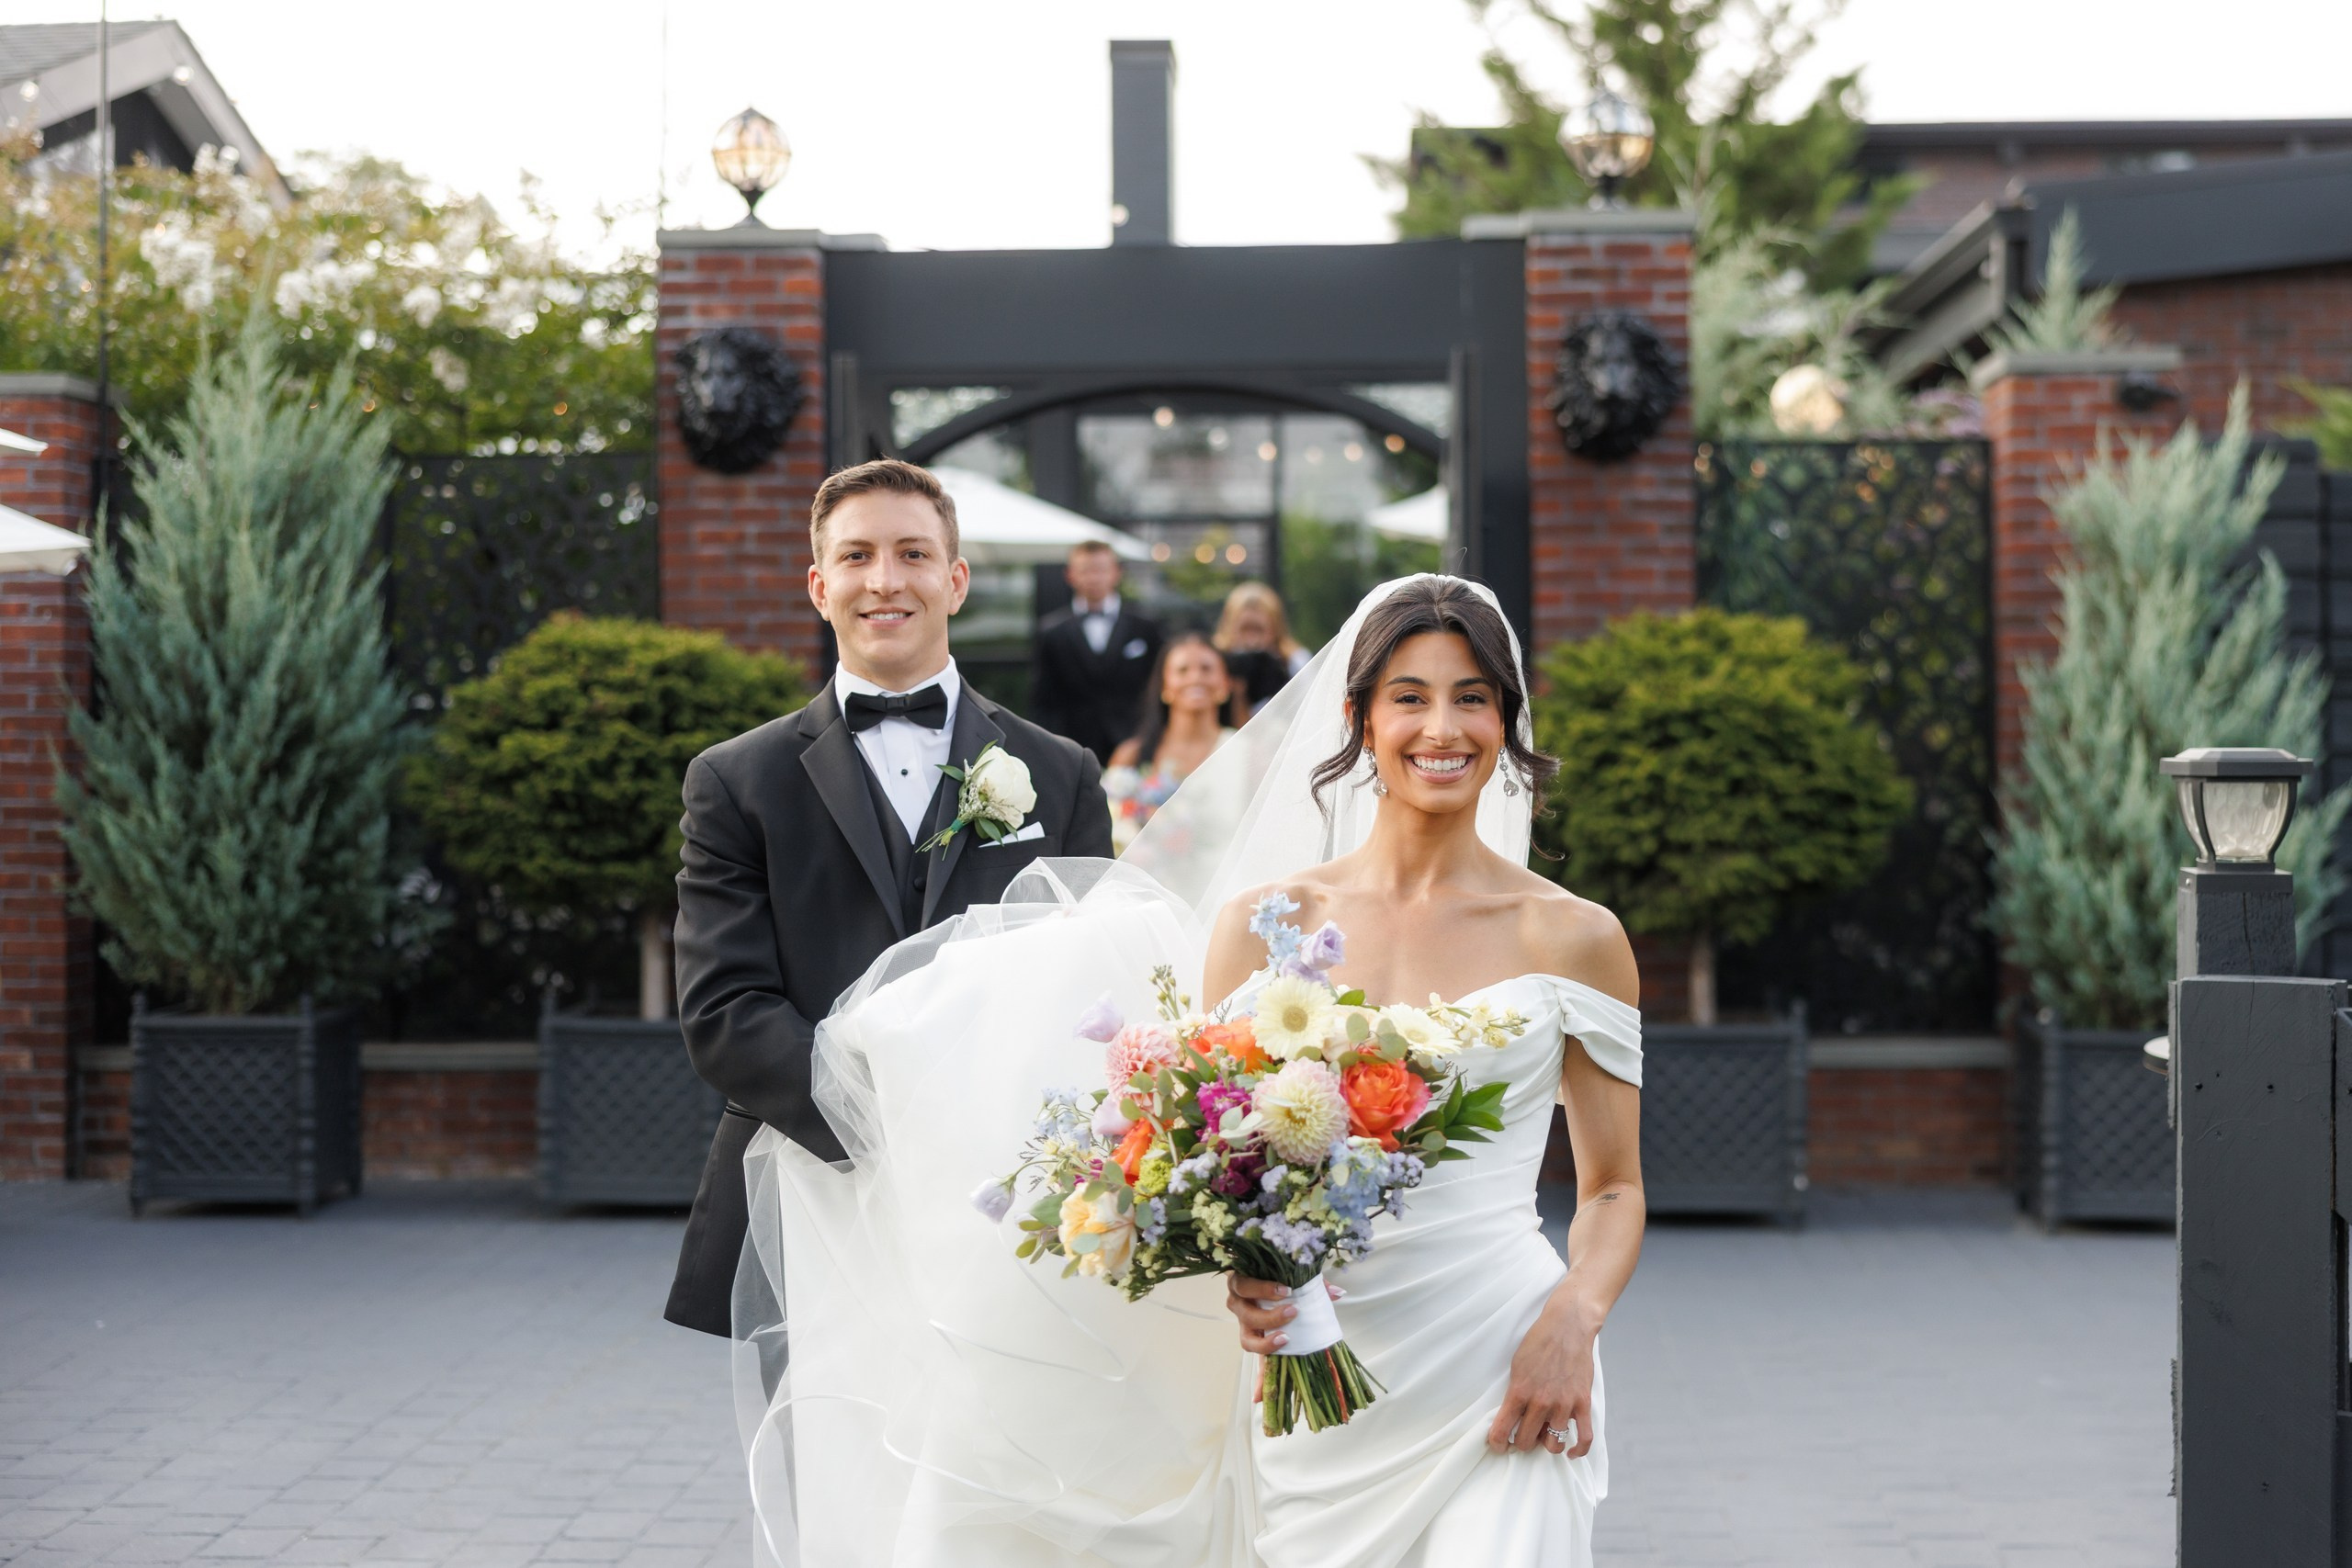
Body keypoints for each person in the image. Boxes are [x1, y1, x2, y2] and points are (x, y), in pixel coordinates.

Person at [732, 574, 1646, 1566]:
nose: (1442, 727)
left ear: (1507, 720)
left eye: (1473, 697)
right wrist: (1245, 1275)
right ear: (1360, 717)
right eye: (1410, 696)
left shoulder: (1575, 937)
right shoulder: (1269, 923)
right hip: (1313, 1376)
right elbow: (1217, 1149)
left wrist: (1573, 1321)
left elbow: (1612, 1188)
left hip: (1505, 1357)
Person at [661, 457, 1114, 1340]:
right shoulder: (735, 781)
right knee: (826, 1473)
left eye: (912, 554)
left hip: (1008, 1196)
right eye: (858, 556)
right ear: (819, 585)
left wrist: (988, 1135)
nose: (885, 580)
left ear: (955, 580)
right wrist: (884, 1129)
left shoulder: (1061, 775)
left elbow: (1089, 997)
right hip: (810, 1183)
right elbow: (724, 1008)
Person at [1102, 631, 1244, 853]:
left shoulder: (1247, 750)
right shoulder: (1131, 755)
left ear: (1225, 684)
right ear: (1164, 686)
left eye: (1206, 669)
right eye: (1182, 670)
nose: (1195, 678)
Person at [1031, 538, 1164, 763]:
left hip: (1134, 743)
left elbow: (1157, 687)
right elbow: (1044, 699)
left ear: (1116, 573)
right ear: (1070, 575)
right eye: (1085, 570)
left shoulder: (1146, 627)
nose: (1094, 578)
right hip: (1072, 747)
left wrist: (1148, 736)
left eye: (1101, 570)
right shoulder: (1051, 632)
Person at [1215, 581, 1310, 714]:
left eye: (1258, 630)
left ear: (1275, 627)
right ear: (1230, 626)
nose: (1251, 641)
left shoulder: (1294, 661)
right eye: (1245, 629)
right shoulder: (1214, 661)